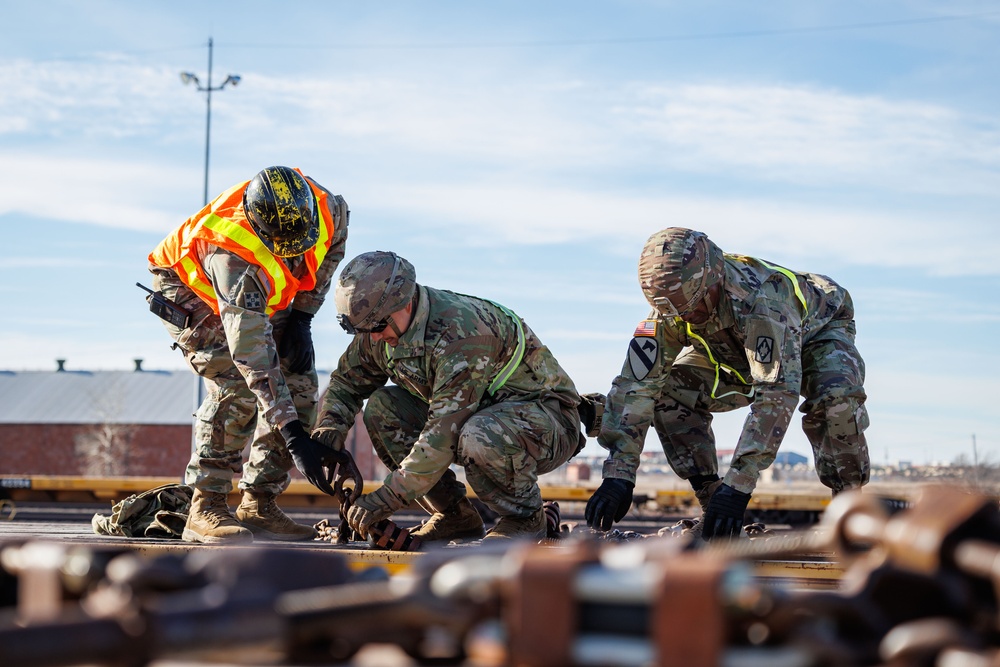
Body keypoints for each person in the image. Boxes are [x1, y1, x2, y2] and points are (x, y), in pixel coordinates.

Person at [585, 227, 870, 540]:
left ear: (713, 282)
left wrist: (739, 486)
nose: (686, 318)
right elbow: (636, 386)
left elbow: (775, 395)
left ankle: (850, 510)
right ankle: (711, 504)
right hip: (731, 351)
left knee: (836, 399)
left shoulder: (764, 302)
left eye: (692, 308)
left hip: (816, 333)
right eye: (677, 312)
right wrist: (619, 475)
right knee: (666, 393)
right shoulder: (668, 310)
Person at [310, 250, 589, 542]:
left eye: (378, 326)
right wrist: (329, 432)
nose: (374, 337)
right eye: (365, 330)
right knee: (382, 408)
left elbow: (441, 436)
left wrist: (386, 498)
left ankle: (526, 520)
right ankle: (455, 517)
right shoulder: (379, 328)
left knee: (478, 433)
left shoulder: (461, 333)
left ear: (405, 303)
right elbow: (346, 383)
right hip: (481, 421)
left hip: (547, 423)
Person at [147, 166, 350, 544]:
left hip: (255, 293)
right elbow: (251, 357)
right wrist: (292, 434)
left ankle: (259, 504)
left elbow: (333, 247)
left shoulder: (327, 209)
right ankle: (205, 506)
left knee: (300, 384)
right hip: (187, 291)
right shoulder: (232, 258)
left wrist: (304, 314)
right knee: (236, 384)